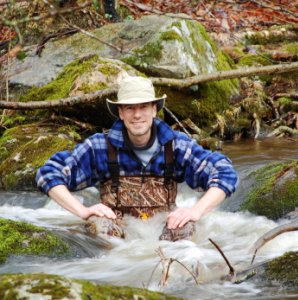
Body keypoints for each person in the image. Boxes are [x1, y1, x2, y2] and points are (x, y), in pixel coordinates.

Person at [36, 75, 239, 241]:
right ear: (121, 113)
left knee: (184, 227)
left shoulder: (175, 146)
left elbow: (225, 173)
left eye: (143, 107)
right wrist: (82, 211)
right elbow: (48, 174)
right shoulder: (99, 147)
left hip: (164, 227)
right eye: (130, 108)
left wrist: (195, 211)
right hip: (116, 233)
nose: (137, 115)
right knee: (98, 225)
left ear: (154, 110)